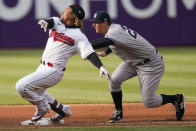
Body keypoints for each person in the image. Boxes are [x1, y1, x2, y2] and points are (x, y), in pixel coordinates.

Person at [15, 5, 111, 123]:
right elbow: (50, 22)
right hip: (41, 68)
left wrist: (101, 66)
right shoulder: (57, 22)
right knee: (37, 91)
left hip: (54, 71)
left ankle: (42, 107)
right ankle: (63, 110)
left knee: (21, 86)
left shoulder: (79, 36)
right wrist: (45, 22)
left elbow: (90, 53)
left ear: (72, 15)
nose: (63, 11)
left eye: (67, 10)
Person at [89, 11, 185, 123]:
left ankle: (176, 98)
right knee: (114, 81)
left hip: (150, 64)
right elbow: (119, 42)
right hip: (133, 62)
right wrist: (106, 53)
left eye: (96, 22)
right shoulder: (114, 29)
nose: (93, 25)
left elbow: (103, 42)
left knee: (149, 101)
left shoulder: (114, 32)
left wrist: (80, 44)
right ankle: (118, 112)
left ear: (105, 22)